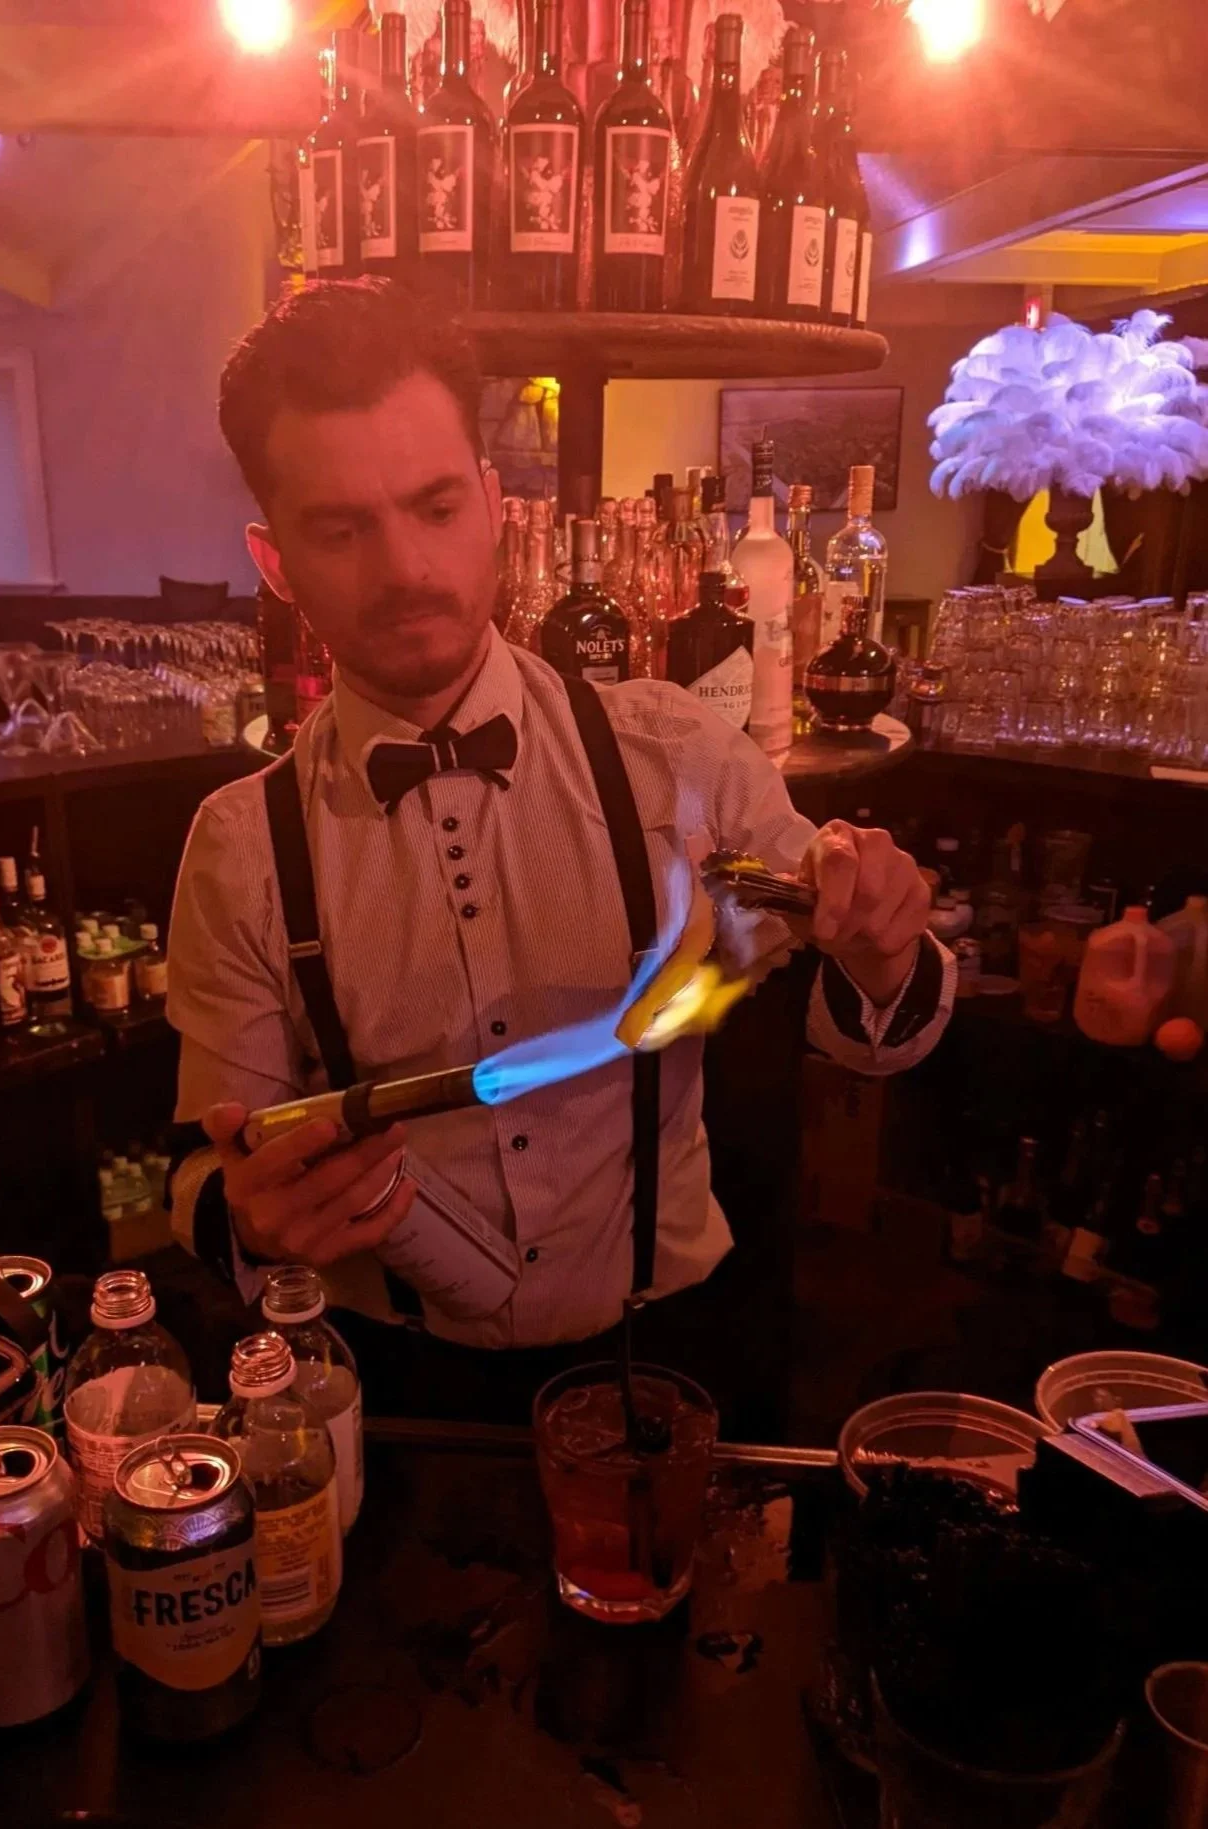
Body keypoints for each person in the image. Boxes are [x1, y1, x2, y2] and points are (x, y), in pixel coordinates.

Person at [166, 278, 954, 1431]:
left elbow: (887, 1024)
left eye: (436, 505)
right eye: (340, 528)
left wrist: (881, 945)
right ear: (273, 558)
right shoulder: (237, 847)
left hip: (677, 1348)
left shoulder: (674, 751)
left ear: (494, 505)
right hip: (394, 1388)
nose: (404, 568)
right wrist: (247, 1213)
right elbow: (209, 1164)